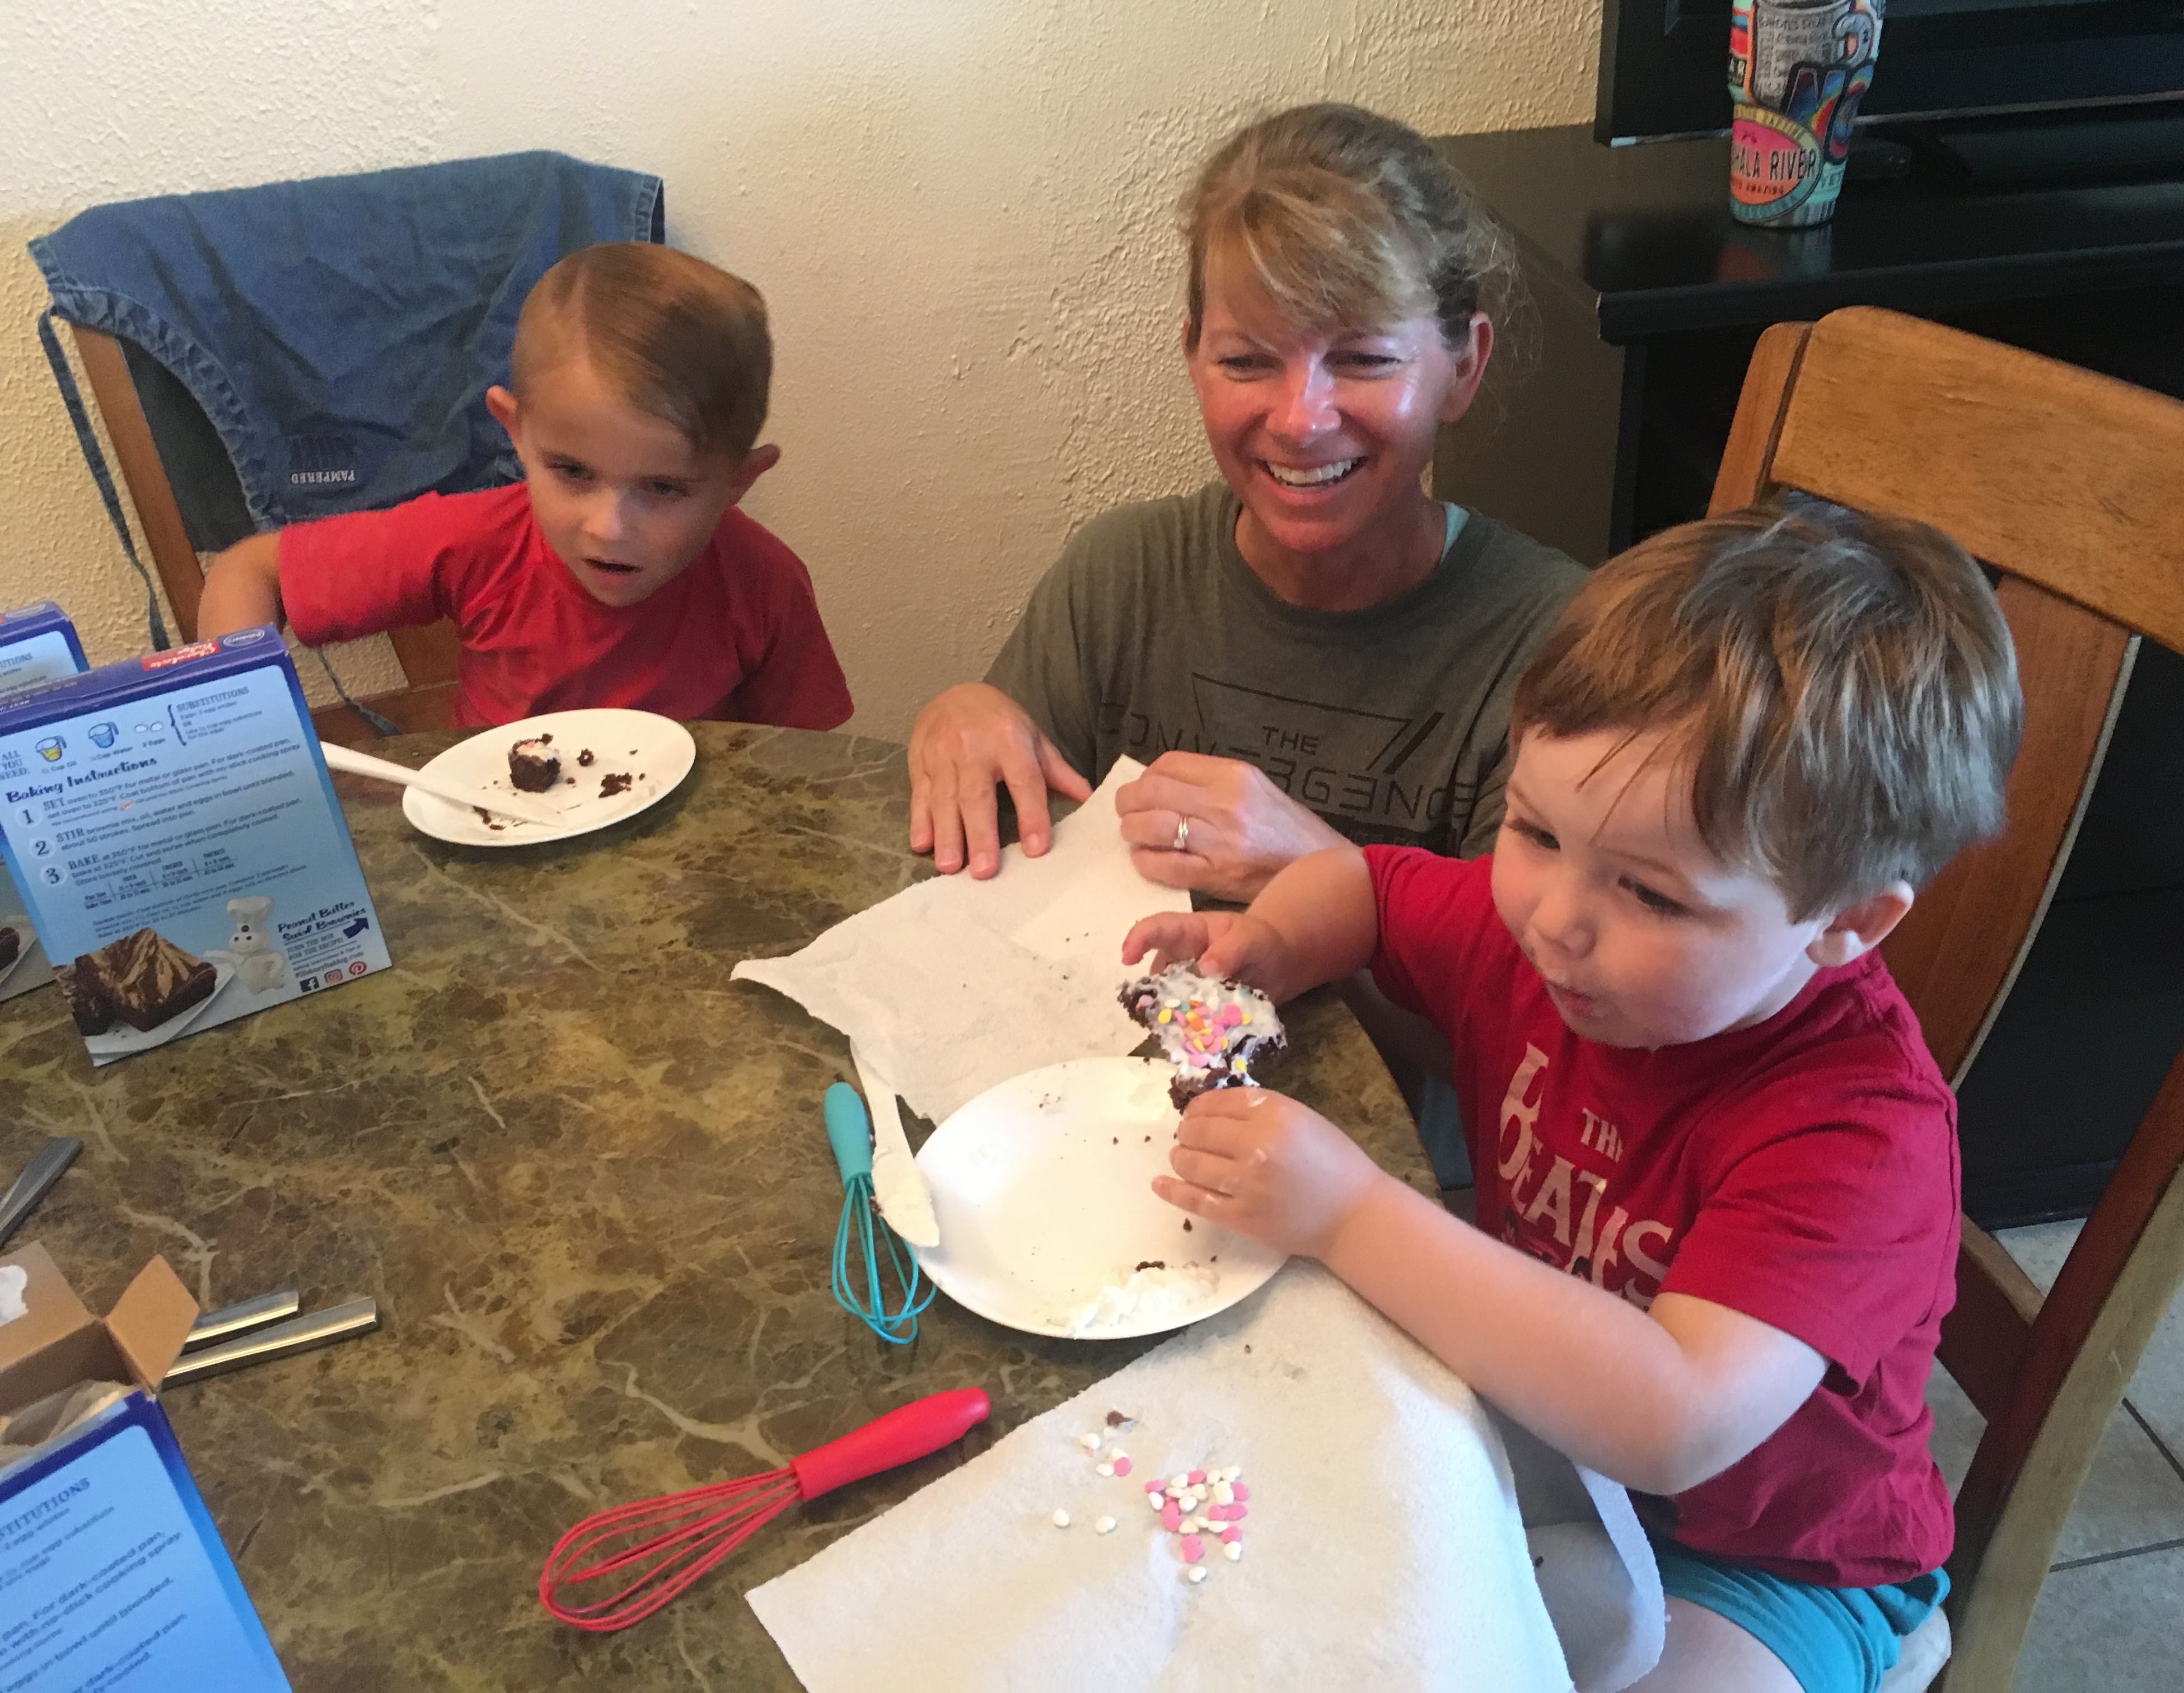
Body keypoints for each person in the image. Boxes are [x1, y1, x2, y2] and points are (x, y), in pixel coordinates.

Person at [1121, 501, 2023, 1693]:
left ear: (1845, 921)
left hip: (1764, 1555)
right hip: (1536, 1435)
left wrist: (1349, 1213)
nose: (1554, 918)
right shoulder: (1553, 940)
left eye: (1651, 894)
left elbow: (1674, 1418)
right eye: (1535, 829)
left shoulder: (1857, 1132)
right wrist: (1269, 947)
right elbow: (1364, 884)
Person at [908, 103, 1585, 901]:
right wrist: (963, 719)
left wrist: (1331, 884)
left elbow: (1542, 976)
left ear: (1464, 367)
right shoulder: (1119, 580)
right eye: (1247, 361)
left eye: (1364, 359)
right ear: (1193, 356)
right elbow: (1002, 867)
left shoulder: (1562, 649)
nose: (1301, 421)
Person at [198, 242, 853, 731]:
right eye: (573, 472)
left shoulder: (765, 584)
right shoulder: (480, 539)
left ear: (739, 481)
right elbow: (251, 572)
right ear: (516, 432)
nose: (608, 528)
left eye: (663, 487)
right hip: (498, 843)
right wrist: (236, 725)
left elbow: (808, 772)